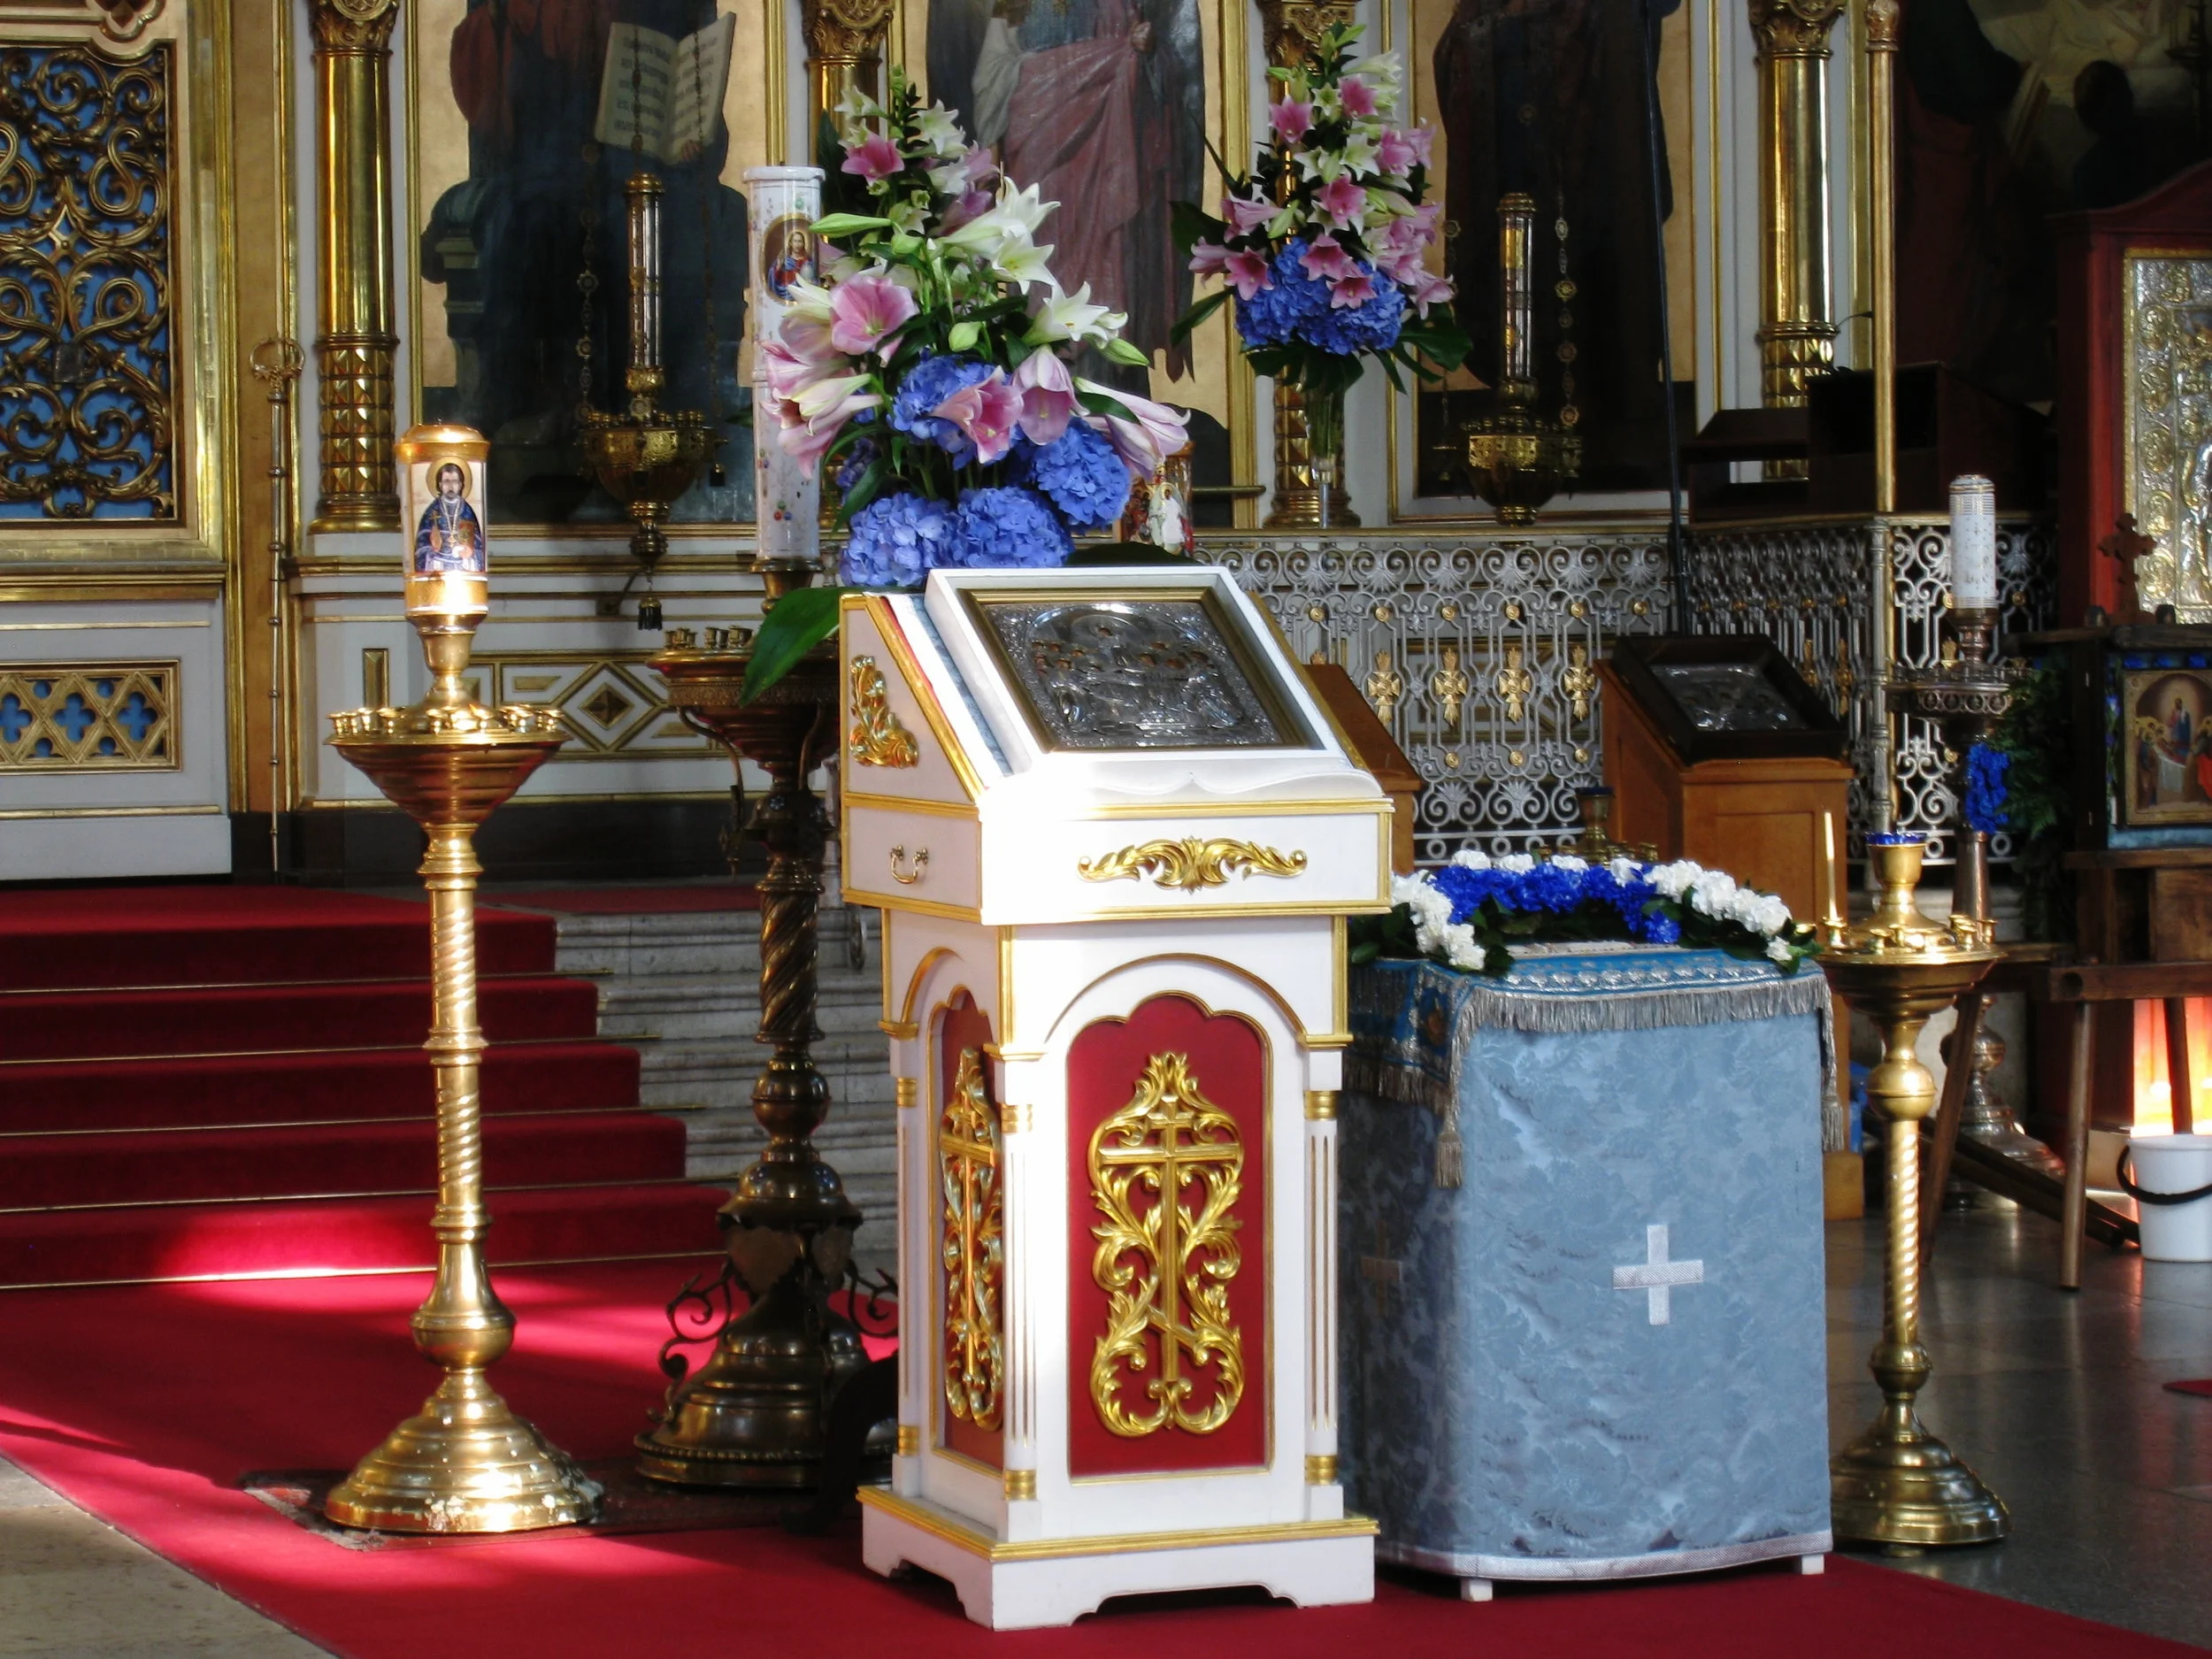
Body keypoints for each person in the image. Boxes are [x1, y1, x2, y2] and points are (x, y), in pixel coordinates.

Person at [415, 464, 487, 573]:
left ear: (461, 484)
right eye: (446, 481)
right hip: (438, 567)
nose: (450, 486)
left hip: (462, 568)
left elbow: (478, 547)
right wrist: (431, 550)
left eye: (454, 481)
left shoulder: (467, 511)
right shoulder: (432, 511)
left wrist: (469, 552)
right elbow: (421, 544)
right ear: (440, 484)